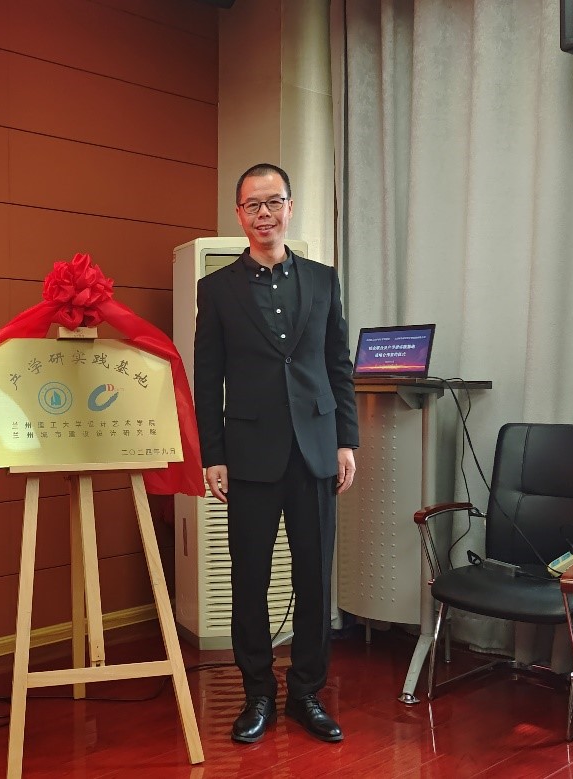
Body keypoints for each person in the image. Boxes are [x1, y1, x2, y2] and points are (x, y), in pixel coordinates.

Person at [193, 163, 359, 745]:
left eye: (273, 202)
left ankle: (307, 692)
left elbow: (338, 366)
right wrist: (212, 453)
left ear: (290, 207)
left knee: (314, 579)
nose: (264, 213)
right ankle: (258, 693)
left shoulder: (323, 280)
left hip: (316, 450)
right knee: (250, 578)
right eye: (252, 205)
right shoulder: (216, 289)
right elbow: (207, 376)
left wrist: (346, 440)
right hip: (248, 455)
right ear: (239, 214)